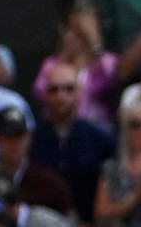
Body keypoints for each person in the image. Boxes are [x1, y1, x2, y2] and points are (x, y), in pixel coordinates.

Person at [29, 61, 116, 226]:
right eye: (54, 90)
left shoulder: (103, 140)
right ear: (45, 95)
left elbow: (116, 193)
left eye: (68, 89)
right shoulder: (31, 140)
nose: (61, 97)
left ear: (80, 93)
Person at [32, 0, 119, 127]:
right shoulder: (52, 64)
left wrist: (94, 43)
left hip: (95, 132)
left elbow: (108, 83)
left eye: (82, 32)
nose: (79, 36)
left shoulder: (107, 60)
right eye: (73, 30)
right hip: (59, 129)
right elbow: (40, 91)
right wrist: (65, 53)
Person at [95, 102, 141, 226]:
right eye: (136, 125)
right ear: (126, 131)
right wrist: (138, 192)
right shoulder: (112, 169)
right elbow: (101, 215)